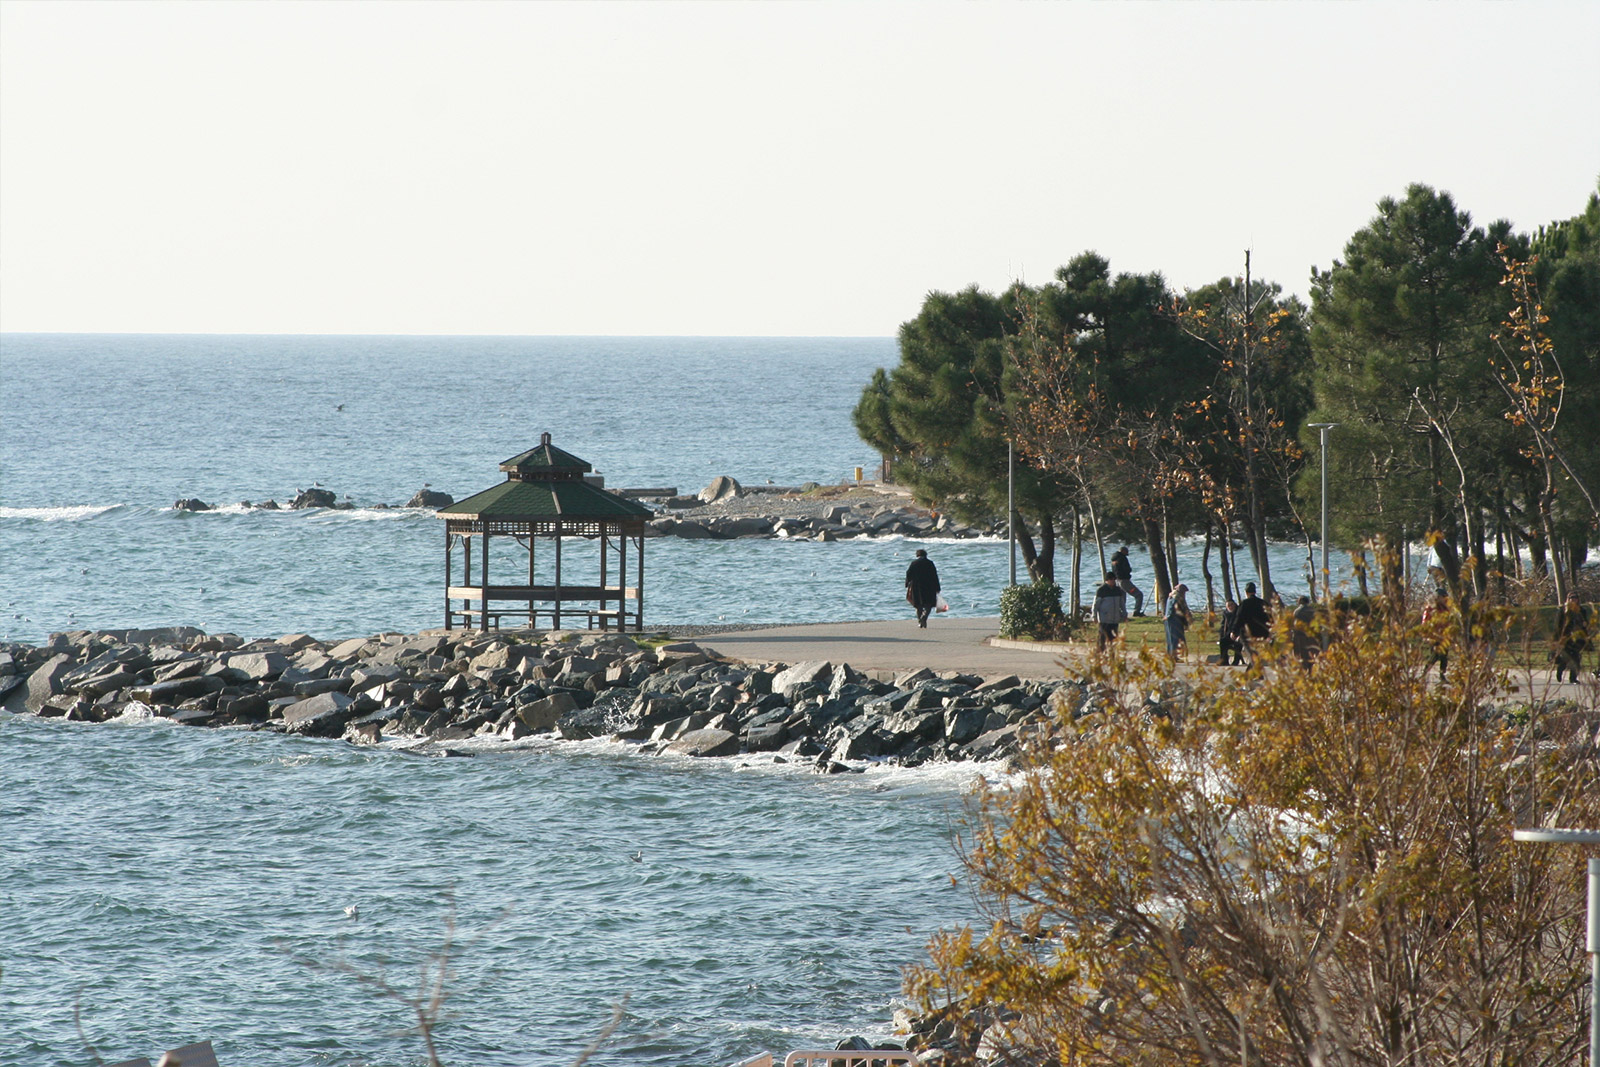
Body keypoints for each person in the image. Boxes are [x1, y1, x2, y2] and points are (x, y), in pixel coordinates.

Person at [1553, 592, 1590, 682]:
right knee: (1567, 657)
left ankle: (1573, 678)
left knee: (1576, 658)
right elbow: (1558, 625)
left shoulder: (1581, 610)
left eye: (1575, 598)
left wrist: (1585, 625)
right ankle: (1560, 669)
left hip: (1578, 637)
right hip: (1566, 637)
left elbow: (1585, 622)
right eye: (1571, 598)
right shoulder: (1563, 610)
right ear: (1568, 599)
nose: (1573, 600)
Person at [904, 549, 941, 629]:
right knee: (928, 604)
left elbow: (908, 574)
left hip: (916, 587)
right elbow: (935, 576)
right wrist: (937, 587)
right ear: (926, 555)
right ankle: (924, 617)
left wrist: (907, 584)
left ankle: (920, 622)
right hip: (929, 586)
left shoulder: (914, 563)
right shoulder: (930, 563)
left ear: (917, 555)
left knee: (918, 605)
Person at [1093, 570, 1128, 652]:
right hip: (1104, 619)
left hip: (1115, 619)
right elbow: (1096, 605)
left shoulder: (1118, 590)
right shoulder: (1101, 590)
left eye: (1114, 579)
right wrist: (1094, 616)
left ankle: (1112, 653)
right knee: (1103, 637)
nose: (1113, 581)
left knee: (1113, 638)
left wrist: (1124, 614)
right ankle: (1100, 652)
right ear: (1106, 580)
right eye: (1111, 579)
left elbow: (1122, 604)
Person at [1236, 581, 1271, 661]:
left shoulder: (1244, 603)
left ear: (1246, 592)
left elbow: (1239, 618)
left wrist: (1234, 631)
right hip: (1261, 633)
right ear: (1255, 592)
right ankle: (1254, 673)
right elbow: (1269, 618)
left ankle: (1253, 672)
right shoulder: (1263, 603)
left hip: (1248, 633)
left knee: (1252, 656)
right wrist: (1269, 632)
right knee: (1256, 656)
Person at [1421, 587, 1450, 682]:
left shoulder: (1445, 609)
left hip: (1444, 636)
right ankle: (1425, 673)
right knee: (1436, 655)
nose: (1445, 599)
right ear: (1438, 597)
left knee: (1444, 656)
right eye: (1443, 597)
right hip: (1434, 636)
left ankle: (1442, 675)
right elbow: (1425, 623)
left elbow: (1448, 622)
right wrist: (1427, 634)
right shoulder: (1430, 608)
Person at [1110, 545, 1145, 616]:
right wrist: (1129, 571)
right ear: (1123, 551)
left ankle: (1121, 613)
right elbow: (1126, 569)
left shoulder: (1113, 559)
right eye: (1126, 552)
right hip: (1124, 581)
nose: (1127, 554)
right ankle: (1136, 611)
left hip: (1117, 581)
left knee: (1122, 598)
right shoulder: (1122, 558)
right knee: (1139, 595)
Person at [1162, 582, 1191, 660]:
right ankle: (1173, 656)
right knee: (1176, 638)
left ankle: (1170, 654)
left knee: (1170, 638)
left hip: (1168, 620)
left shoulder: (1170, 597)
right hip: (1174, 620)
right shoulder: (1178, 598)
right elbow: (1184, 610)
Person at [1291, 595, 1318, 670]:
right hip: (1311, 635)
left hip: (1299, 636)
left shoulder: (1297, 611)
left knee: (1301, 654)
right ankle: (1311, 669)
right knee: (1311, 653)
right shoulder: (1313, 611)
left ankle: (1304, 670)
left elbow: (1294, 624)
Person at [1218, 598, 1245, 665]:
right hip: (1229, 635)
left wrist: (1238, 635)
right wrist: (1222, 634)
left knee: (1238, 644)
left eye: (1231, 605)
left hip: (1239, 634)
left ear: (1235, 605)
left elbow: (1242, 625)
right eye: (1228, 606)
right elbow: (1223, 626)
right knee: (1223, 641)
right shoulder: (1226, 614)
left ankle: (1236, 661)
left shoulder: (1239, 613)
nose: (1230, 607)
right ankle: (1224, 660)